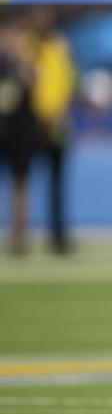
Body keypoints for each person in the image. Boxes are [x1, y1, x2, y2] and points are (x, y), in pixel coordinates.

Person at [26, 8, 75, 254]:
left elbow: (67, 84)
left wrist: (58, 114)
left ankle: (58, 236)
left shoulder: (59, 47)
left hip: (56, 122)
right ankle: (21, 234)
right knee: (21, 180)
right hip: (29, 123)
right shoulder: (27, 47)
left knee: (57, 182)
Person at [0, 21, 38, 255]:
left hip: (19, 135)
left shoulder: (24, 66)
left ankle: (19, 234)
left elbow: (33, 84)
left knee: (20, 184)